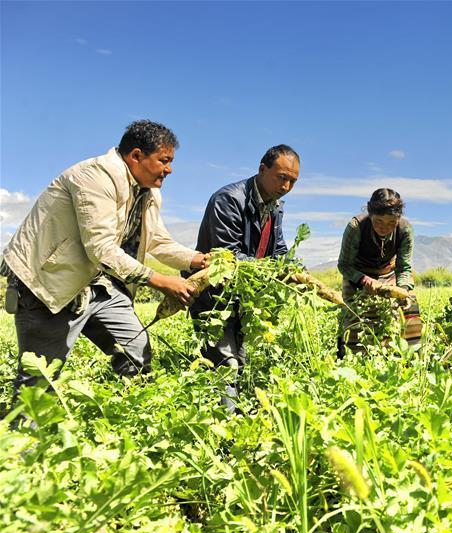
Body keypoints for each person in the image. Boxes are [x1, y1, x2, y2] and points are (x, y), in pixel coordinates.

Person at [1, 120, 206, 390]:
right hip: (49, 284)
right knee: (38, 384)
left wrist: (197, 259)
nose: (169, 169)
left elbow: (156, 239)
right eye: (164, 160)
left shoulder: (150, 194)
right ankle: (24, 430)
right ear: (136, 156)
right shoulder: (94, 177)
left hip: (98, 284)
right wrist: (162, 280)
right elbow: (101, 247)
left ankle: (128, 419)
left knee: (136, 354)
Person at [190, 144, 300, 404]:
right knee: (225, 364)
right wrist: (274, 270)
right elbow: (226, 255)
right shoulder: (229, 199)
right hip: (216, 298)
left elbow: (278, 249)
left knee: (242, 361)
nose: (286, 186)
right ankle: (223, 432)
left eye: (292, 181)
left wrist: (292, 269)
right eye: (282, 177)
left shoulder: (275, 207)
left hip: (243, 298)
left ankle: (238, 423)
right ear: (263, 169)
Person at [336, 188, 419, 356]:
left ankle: (411, 358)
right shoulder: (356, 227)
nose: (385, 228)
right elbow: (344, 265)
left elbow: (404, 267)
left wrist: (403, 291)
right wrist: (365, 280)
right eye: (379, 221)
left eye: (391, 223)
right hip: (357, 274)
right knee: (354, 317)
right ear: (370, 212)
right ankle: (352, 359)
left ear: (399, 218)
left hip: (388, 273)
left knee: (410, 310)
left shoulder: (405, 230)